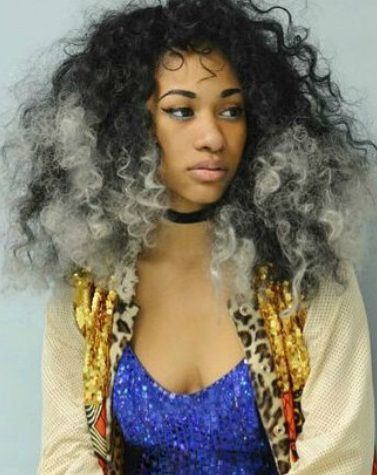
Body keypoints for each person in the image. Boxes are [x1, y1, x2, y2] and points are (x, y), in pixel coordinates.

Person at [1, 0, 376, 473]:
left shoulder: (309, 273)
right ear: (128, 126)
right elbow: (64, 458)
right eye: (181, 111)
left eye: (232, 110)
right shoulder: (89, 291)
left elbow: (341, 457)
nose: (213, 137)